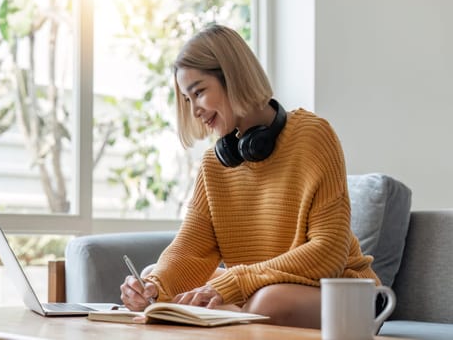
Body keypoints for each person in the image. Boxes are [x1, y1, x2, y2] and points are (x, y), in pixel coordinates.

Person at [120, 24, 380, 329]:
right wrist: (152, 285)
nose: (195, 112)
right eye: (188, 100)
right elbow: (189, 249)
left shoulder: (313, 135)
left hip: (343, 294)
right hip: (262, 290)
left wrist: (235, 282)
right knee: (165, 282)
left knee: (267, 302)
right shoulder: (213, 165)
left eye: (199, 92)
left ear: (232, 77)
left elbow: (328, 252)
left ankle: (226, 318)